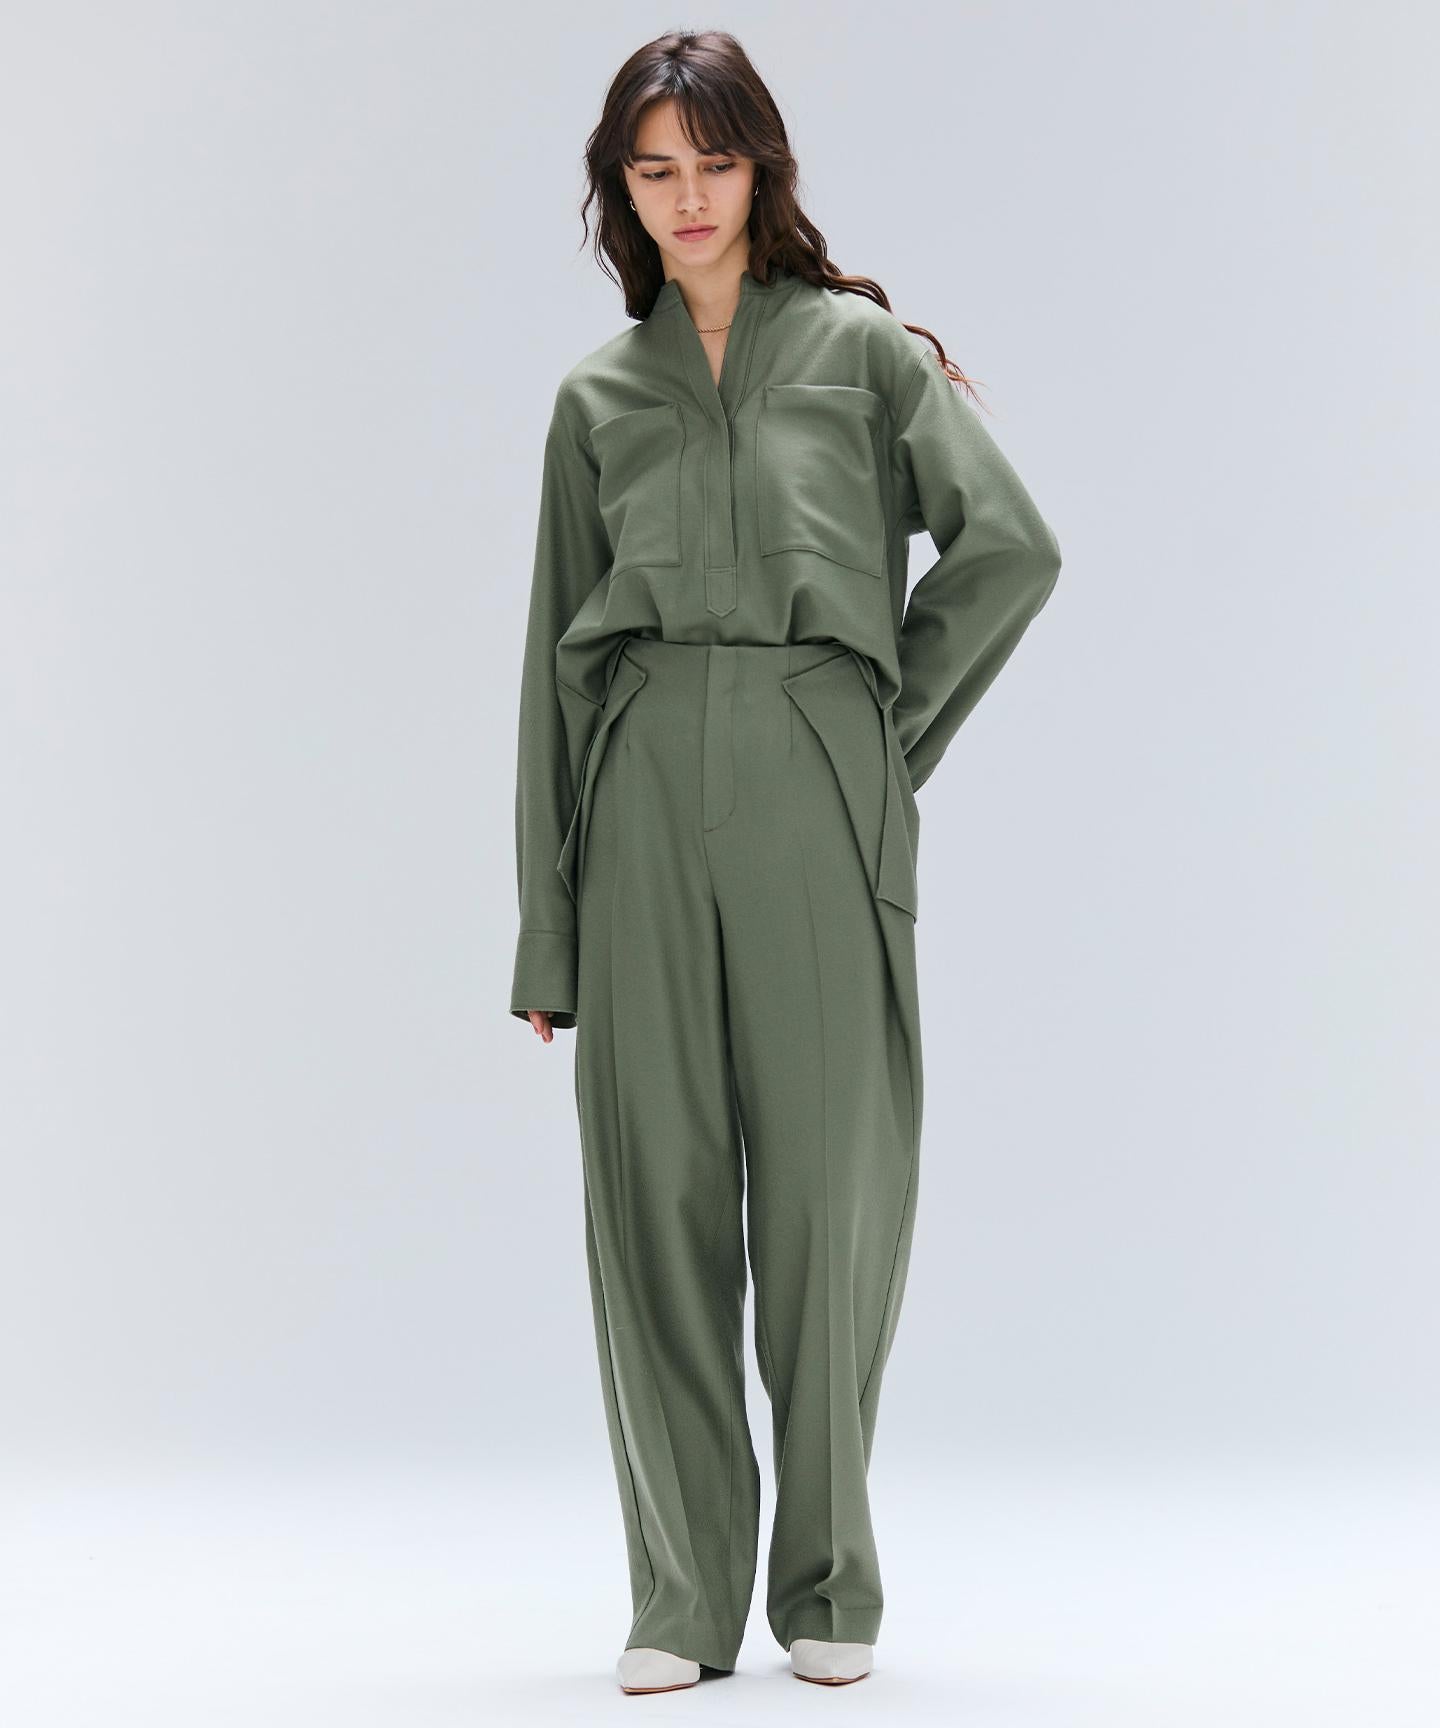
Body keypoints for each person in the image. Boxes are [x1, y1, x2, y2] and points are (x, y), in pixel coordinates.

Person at [508, 29, 1062, 1695]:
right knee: (654, 1202)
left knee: (831, 1195)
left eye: (714, 162)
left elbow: (1010, 547)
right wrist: (548, 931)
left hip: (819, 785)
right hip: (638, 794)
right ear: (620, 190)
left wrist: (879, 737)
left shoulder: (862, 354)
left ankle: (828, 1582)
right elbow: (550, 669)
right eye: (654, 170)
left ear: (764, 170)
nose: (687, 198)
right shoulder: (597, 398)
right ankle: (683, 1596)